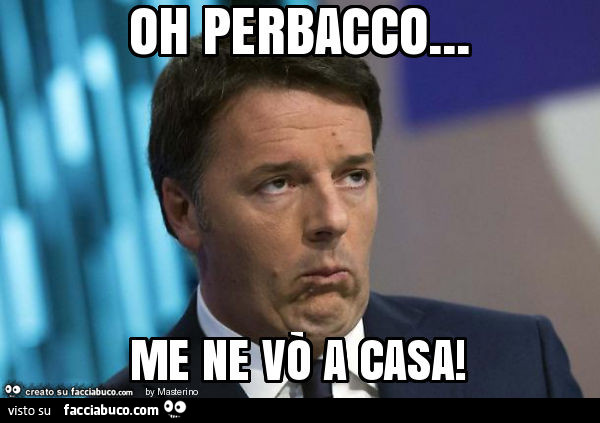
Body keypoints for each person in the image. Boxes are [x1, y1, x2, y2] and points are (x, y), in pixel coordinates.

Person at [104, 36, 582, 398]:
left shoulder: (517, 365)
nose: (332, 220)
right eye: (278, 183)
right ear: (183, 212)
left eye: (353, 177)